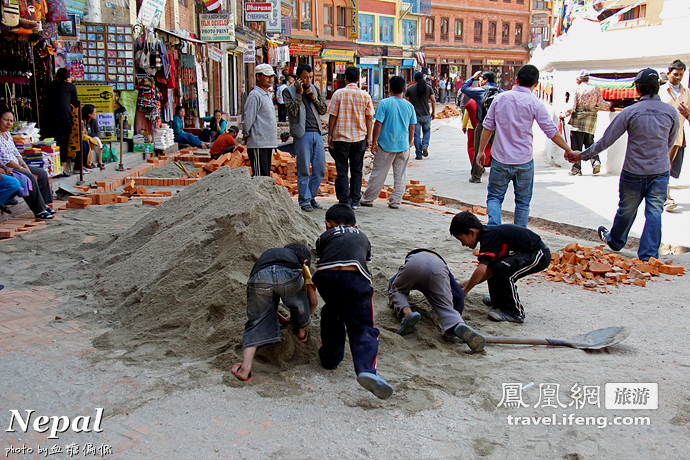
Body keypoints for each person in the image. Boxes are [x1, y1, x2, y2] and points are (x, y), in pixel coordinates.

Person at [566, 68, 679, 261]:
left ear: (638, 88)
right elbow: (670, 141)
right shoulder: (671, 112)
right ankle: (648, 256)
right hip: (659, 172)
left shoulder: (630, 112)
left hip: (634, 171)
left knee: (626, 210)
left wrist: (582, 155)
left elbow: (606, 141)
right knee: (654, 213)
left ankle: (616, 241)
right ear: (657, 88)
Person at [313, 204, 393, 399]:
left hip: (325, 279)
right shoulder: (362, 236)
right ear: (356, 226)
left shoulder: (324, 236)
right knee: (363, 326)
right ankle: (366, 369)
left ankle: (330, 359)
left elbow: (323, 258)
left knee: (332, 312)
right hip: (355, 281)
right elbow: (362, 261)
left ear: (327, 225)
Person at [477, 65, 573, 227]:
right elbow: (551, 131)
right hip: (524, 161)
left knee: (494, 197)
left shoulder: (500, 99)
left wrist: (480, 151)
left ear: (516, 80)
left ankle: (493, 231)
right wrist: (568, 149)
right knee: (522, 203)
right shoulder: (534, 104)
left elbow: (488, 127)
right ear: (536, 85)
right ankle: (518, 240)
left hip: (501, 159)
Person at [231, 243, 318, 382]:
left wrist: (283, 320)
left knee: (256, 321)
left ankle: (245, 370)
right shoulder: (301, 263)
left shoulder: (270, 255)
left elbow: (260, 306)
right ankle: (301, 333)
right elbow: (313, 302)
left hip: (260, 276)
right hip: (289, 275)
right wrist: (302, 322)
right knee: (299, 304)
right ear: (305, 261)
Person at [450, 211, 551, 324]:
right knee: (495, 267)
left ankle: (515, 312)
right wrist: (464, 285)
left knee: (503, 270)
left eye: (461, 239)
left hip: (538, 254)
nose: (463, 244)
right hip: (524, 254)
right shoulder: (488, 237)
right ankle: (498, 301)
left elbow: (481, 270)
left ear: (471, 232)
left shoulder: (489, 237)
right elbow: (487, 272)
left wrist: (465, 290)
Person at [388, 248, 486, 352]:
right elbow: (458, 295)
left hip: (414, 262)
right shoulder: (441, 264)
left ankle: (407, 313)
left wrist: (394, 303)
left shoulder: (413, 257)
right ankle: (456, 324)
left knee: (398, 291)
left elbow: (392, 283)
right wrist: (458, 312)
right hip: (438, 267)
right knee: (444, 306)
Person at [360, 76, 416, 210]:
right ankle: (395, 201)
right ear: (404, 89)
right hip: (402, 146)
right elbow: (412, 126)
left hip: (386, 145)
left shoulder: (384, 103)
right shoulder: (409, 106)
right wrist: (408, 143)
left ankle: (368, 199)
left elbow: (378, 124)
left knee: (378, 173)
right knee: (400, 175)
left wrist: (374, 142)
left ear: (389, 88)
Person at [327, 66, 374, 209]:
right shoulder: (365, 95)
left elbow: (333, 116)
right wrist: (369, 138)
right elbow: (369, 118)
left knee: (341, 170)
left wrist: (330, 135)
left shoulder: (338, 94)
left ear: (345, 78)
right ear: (358, 79)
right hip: (359, 138)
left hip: (341, 138)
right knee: (356, 170)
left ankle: (343, 200)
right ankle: (355, 200)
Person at [284, 64, 328, 212]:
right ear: (298, 78)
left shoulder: (314, 89)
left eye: (310, 77)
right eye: (305, 77)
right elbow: (292, 111)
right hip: (302, 135)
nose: (308, 80)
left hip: (317, 133)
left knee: (320, 169)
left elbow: (323, 110)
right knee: (303, 170)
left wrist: (314, 98)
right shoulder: (288, 91)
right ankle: (304, 201)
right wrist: (299, 93)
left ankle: (311, 196)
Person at [0, 109, 55, 219]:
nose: (8, 123)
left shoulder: (7, 134)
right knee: (29, 177)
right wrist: (21, 168)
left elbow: (15, 151)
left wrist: (23, 163)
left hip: (17, 164)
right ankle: (39, 210)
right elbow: (5, 159)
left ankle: (45, 204)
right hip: (8, 167)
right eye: (6, 120)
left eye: (11, 121)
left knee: (42, 173)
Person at [559, 70, 611, 176]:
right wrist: (611, 104)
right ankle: (595, 161)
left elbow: (572, 107)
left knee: (576, 145)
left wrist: (563, 114)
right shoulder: (595, 89)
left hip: (578, 121)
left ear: (578, 80)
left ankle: (576, 168)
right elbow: (602, 104)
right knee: (589, 142)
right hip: (591, 121)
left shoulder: (576, 89)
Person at [659, 59, 689, 211]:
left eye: (681, 75)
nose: (678, 77)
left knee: (668, 165)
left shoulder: (687, 93)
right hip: (660, 134)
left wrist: (687, 113)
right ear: (669, 73)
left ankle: (664, 194)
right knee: (663, 164)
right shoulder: (660, 91)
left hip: (677, 134)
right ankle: (666, 196)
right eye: (675, 74)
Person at [462, 70, 501, 183]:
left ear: (485, 80)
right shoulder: (501, 92)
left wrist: (472, 78)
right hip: (498, 125)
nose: (479, 81)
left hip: (483, 124)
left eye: (480, 79)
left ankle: (476, 176)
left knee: (479, 149)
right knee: (498, 150)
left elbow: (464, 88)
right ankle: (499, 176)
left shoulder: (480, 91)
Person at [243, 64, 278, 177]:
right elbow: (248, 119)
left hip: (267, 143)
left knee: (265, 177)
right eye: (267, 76)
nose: (270, 79)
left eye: (272, 76)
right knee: (259, 178)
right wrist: (246, 134)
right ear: (258, 77)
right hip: (258, 143)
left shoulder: (266, 95)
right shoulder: (255, 95)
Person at [43, 68, 79, 176]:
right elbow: (75, 103)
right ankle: (61, 168)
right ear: (68, 76)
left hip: (49, 118)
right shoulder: (70, 86)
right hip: (64, 118)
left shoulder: (50, 86)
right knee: (64, 144)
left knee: (51, 143)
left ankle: (50, 169)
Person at [405, 72, 436, 160]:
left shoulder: (410, 89)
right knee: (427, 131)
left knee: (416, 134)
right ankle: (425, 145)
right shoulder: (428, 88)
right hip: (426, 114)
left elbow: (407, 103)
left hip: (415, 116)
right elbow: (433, 100)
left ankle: (419, 154)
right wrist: (433, 112)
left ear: (414, 79)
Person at [462, 98, 491, 172]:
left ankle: (476, 167)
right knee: (485, 146)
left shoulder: (471, 102)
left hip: (472, 127)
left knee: (472, 147)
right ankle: (483, 163)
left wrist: (464, 126)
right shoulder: (487, 100)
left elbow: (466, 115)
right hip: (485, 127)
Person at [81, 104, 106, 171]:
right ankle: (88, 162)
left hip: (90, 138)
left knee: (97, 140)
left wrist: (89, 135)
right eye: (94, 112)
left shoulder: (93, 121)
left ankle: (100, 162)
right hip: (84, 139)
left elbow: (97, 133)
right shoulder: (82, 121)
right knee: (86, 141)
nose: (96, 114)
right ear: (89, 114)